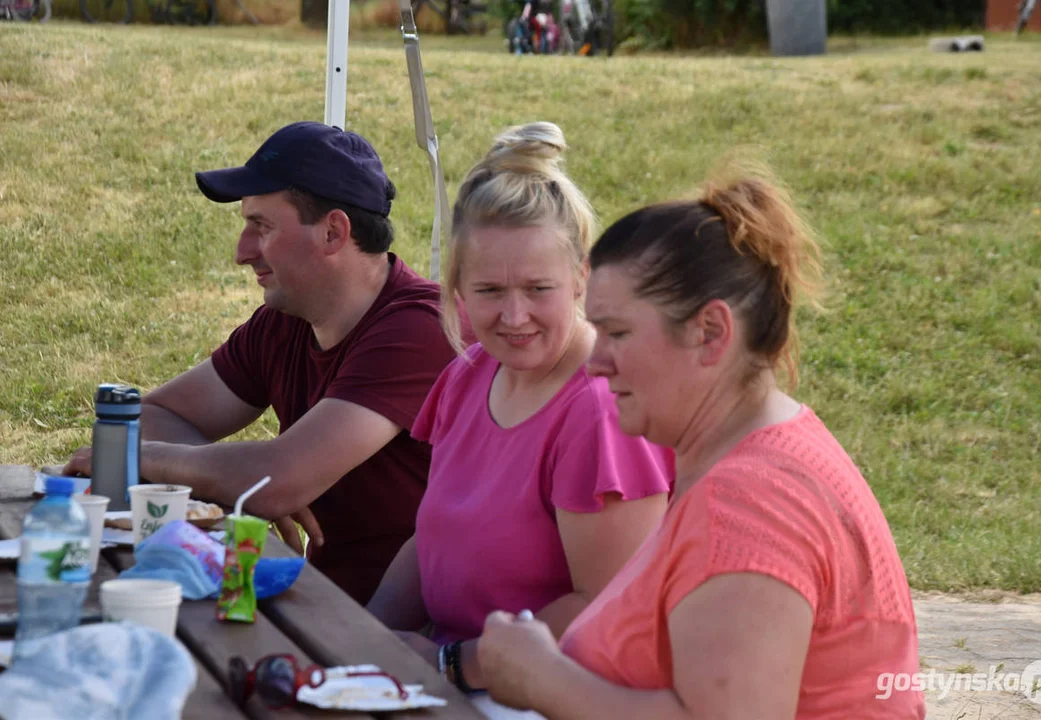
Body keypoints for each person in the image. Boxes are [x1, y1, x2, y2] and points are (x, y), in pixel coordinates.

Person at [475, 165, 927, 719]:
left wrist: (540, 679)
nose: (595, 364)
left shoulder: (749, 504)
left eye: (616, 333)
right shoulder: (765, 450)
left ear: (710, 333)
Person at [64, 122, 459, 605]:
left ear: (334, 232)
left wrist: (244, 477)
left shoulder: (419, 328)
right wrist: (238, 481)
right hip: (310, 600)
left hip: (409, 630)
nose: (241, 252)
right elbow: (151, 417)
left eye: (262, 226)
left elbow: (275, 478)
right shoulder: (286, 320)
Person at [366, 122, 673, 697]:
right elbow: (428, 539)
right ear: (457, 288)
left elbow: (605, 611)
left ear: (582, 276)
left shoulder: (604, 413)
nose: (513, 316)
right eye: (488, 292)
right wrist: (362, 636)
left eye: (538, 289)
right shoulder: (467, 374)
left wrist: (449, 664)